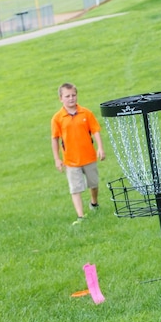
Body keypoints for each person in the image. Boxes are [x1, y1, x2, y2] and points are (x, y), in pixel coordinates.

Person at [51, 83, 106, 225]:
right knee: (75, 188)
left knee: (93, 183)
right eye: (67, 96)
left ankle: (94, 202)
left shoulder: (86, 113)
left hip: (89, 156)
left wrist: (100, 147)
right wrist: (57, 159)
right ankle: (81, 216)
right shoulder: (57, 118)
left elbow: (95, 130)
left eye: (73, 95)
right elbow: (55, 139)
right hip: (71, 160)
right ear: (61, 99)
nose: (71, 99)